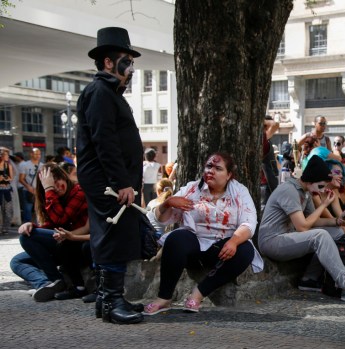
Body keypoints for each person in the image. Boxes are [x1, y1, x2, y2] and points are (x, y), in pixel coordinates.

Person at [76, 26, 146, 324]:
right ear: (108, 62)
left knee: (114, 236)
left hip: (111, 181)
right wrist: (121, 183)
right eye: (126, 61)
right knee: (112, 237)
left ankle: (108, 299)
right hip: (108, 183)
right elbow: (105, 141)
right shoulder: (100, 92)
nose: (130, 68)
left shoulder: (108, 92)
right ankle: (111, 301)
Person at [143, 153, 262, 315]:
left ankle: (198, 294)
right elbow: (159, 219)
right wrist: (167, 203)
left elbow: (249, 223)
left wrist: (234, 241)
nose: (211, 171)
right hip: (194, 247)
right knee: (176, 238)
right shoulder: (192, 189)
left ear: (228, 175)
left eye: (218, 168)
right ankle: (164, 298)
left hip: (223, 249)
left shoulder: (240, 192)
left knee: (246, 250)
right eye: (209, 167)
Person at [258, 155, 345, 303]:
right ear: (310, 181)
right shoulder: (289, 190)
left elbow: (313, 221)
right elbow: (302, 226)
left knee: (337, 232)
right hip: (272, 241)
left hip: (288, 236)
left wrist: (337, 221)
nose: (322, 190)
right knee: (320, 236)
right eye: (321, 186)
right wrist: (323, 205)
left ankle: (309, 279)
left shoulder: (306, 192)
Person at [9, 164, 88, 302]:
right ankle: (44, 283)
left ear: (64, 177)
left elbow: (60, 219)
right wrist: (31, 225)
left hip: (76, 243)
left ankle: (55, 279)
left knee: (28, 238)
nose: (57, 188)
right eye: (51, 185)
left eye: (57, 182)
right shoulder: (52, 196)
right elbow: (52, 224)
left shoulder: (78, 191)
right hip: (61, 242)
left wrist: (49, 189)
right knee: (17, 261)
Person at [18, 147, 42, 223]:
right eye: (36, 154)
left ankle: (40, 225)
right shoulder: (25, 165)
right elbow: (21, 179)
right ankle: (27, 225)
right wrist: (28, 187)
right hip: (27, 190)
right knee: (27, 209)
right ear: (31, 154)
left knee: (39, 209)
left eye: (39, 154)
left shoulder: (42, 165)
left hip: (39, 191)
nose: (38, 155)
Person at [0, 148, 15, 234]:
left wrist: (5, 178)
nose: (8, 157)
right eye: (6, 155)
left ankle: (5, 228)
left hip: (7, 189)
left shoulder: (8, 165)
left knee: (8, 210)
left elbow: (11, 178)